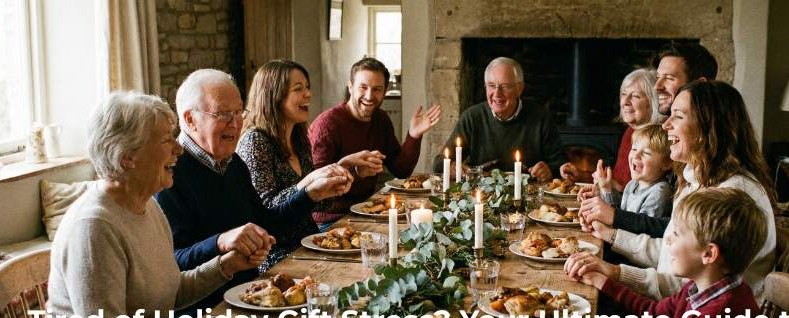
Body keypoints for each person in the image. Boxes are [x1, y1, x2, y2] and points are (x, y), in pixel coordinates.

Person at [39, 92, 262, 318]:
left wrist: (225, 266)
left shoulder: (148, 206)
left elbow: (170, 289)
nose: (178, 149)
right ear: (127, 157)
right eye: (165, 141)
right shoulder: (94, 226)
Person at [155, 69, 352, 313]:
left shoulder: (233, 164)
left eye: (239, 112)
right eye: (224, 114)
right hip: (208, 311)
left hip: (252, 295)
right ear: (190, 119)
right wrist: (220, 242)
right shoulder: (169, 174)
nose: (236, 123)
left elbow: (266, 225)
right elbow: (173, 264)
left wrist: (311, 194)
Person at [566, 80, 776, 301]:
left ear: (708, 129)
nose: (666, 125)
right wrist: (611, 235)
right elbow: (670, 253)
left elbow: (686, 290)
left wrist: (614, 273)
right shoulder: (697, 179)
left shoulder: (731, 195)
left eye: (678, 116)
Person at [571, 188, 772, 318]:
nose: (667, 242)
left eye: (676, 235)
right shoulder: (701, 288)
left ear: (709, 254)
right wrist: (604, 282)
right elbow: (656, 312)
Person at [578, 42, 719, 238]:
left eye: (668, 78)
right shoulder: (666, 138)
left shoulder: (702, 151)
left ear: (700, 85)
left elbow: (672, 231)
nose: (657, 86)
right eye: (658, 77)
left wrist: (613, 219)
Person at [238, 60, 369, 253]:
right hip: (277, 252)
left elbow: (315, 204)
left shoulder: (299, 137)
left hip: (309, 242)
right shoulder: (255, 141)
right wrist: (308, 183)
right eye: (298, 89)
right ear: (274, 95)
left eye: (307, 87)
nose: (308, 94)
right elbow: (266, 211)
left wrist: (338, 177)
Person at [309, 57, 442, 226]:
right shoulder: (327, 125)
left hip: (367, 210)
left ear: (385, 91)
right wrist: (357, 172)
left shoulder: (381, 119)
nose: (369, 96)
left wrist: (414, 135)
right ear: (350, 87)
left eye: (377, 89)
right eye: (363, 87)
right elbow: (316, 189)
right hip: (330, 219)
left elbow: (401, 170)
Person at [434, 57, 565, 182]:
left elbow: (562, 166)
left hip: (528, 196)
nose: (497, 94)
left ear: (520, 89)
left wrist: (549, 170)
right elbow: (439, 163)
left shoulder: (540, 117)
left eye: (505, 86)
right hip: (481, 196)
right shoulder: (472, 117)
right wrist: (451, 166)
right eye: (491, 85)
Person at [561, 68, 662, 190]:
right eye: (624, 94)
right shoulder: (630, 132)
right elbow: (616, 180)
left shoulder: (656, 140)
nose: (625, 101)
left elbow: (638, 195)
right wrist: (581, 176)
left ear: (652, 102)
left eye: (635, 96)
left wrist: (610, 186)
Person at [595, 123, 673, 219]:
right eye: (634, 149)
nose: (636, 155)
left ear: (666, 163)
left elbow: (638, 227)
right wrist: (603, 190)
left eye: (646, 153)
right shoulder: (633, 184)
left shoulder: (659, 192)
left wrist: (606, 191)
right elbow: (620, 213)